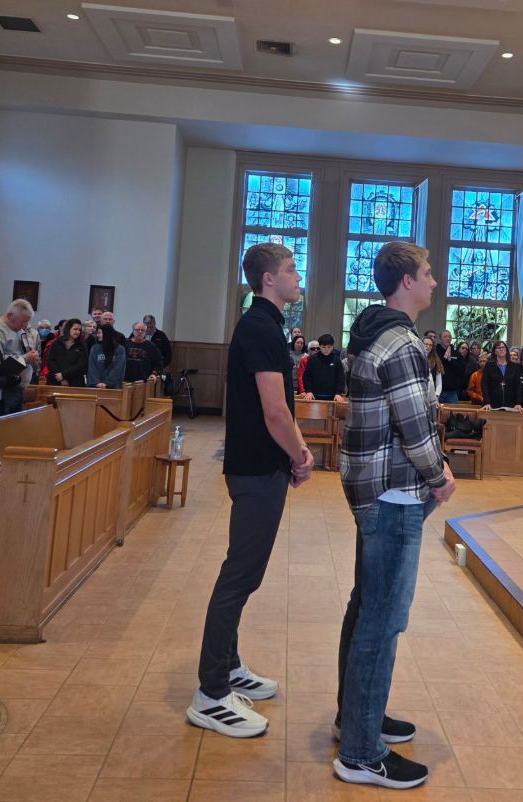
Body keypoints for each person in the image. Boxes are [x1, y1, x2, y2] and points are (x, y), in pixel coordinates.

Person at [334, 241, 456, 790]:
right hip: (395, 494)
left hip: (374, 489)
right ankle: (361, 753)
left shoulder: (374, 333)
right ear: (406, 281)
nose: (434, 281)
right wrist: (441, 475)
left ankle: (356, 719)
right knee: (382, 620)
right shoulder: (403, 342)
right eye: (427, 273)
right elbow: (414, 427)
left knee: (366, 607)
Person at [188, 242, 314, 738]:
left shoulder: (265, 324)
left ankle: (229, 664)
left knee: (244, 574)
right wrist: (299, 455)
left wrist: (294, 453)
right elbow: (275, 412)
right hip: (258, 468)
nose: (298, 276)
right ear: (267, 279)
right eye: (290, 269)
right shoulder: (261, 328)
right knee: (239, 577)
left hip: (260, 466)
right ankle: (211, 693)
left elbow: (280, 407)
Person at [0, 299, 40, 415]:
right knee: (5, 423)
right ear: (10, 315)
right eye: (22, 321)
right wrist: (26, 358)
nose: (24, 326)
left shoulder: (18, 329)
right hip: (6, 388)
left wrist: (31, 353)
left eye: (27, 322)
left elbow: (19, 351)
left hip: (18, 387)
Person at [480, 341, 523, 411]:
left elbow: (518, 385)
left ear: (506, 350)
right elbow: (484, 384)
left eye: (503, 347)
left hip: (510, 402)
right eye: (498, 348)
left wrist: (518, 402)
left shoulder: (514, 366)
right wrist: (486, 402)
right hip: (492, 403)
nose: (501, 349)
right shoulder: (489, 365)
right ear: (494, 351)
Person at [302, 333, 345, 402]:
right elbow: (306, 377)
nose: (326, 350)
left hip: (333, 396)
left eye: (329, 347)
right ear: (320, 346)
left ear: (332, 346)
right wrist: (308, 391)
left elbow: (340, 378)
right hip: (314, 395)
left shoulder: (336, 360)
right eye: (324, 347)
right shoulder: (312, 359)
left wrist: (338, 393)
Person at [46, 319, 88, 387]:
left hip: (75, 382)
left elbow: (82, 364)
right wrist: (60, 377)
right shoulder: (56, 343)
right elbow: (50, 362)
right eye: (75, 329)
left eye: (79, 330)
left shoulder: (82, 345)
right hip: (55, 380)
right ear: (68, 329)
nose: (77, 332)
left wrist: (63, 375)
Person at [87, 324, 126, 389]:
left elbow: (117, 369)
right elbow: (92, 368)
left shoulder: (120, 349)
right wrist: (97, 383)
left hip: (114, 387)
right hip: (96, 387)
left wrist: (106, 383)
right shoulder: (94, 348)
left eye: (99, 333)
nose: (97, 335)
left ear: (106, 334)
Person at [435, 330, 463, 405]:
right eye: (445, 337)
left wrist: (450, 360)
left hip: (452, 391)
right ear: (440, 339)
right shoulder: (435, 352)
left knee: (453, 412)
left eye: (449, 337)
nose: (448, 338)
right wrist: (444, 358)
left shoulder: (457, 353)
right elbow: (435, 368)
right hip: (437, 391)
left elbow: (462, 371)